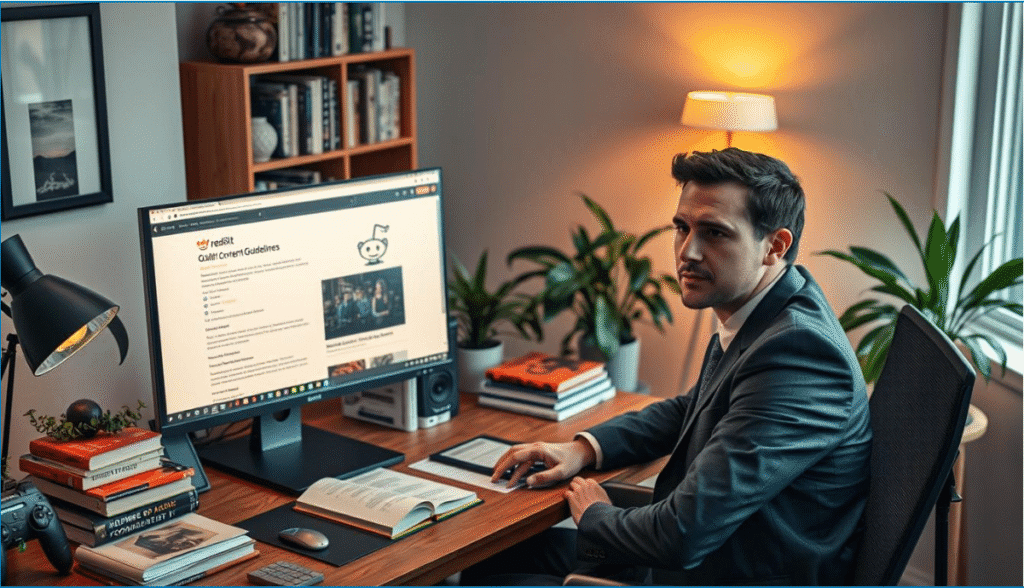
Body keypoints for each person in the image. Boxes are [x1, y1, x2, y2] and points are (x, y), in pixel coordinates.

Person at [461, 148, 872, 586]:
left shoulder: (798, 357)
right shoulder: (771, 311)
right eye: (682, 228)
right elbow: (690, 409)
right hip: (721, 555)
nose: (687, 252)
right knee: (498, 559)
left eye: (714, 233)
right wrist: (580, 449)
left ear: (775, 246)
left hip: (729, 572)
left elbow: (681, 535)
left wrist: (596, 515)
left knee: (495, 578)